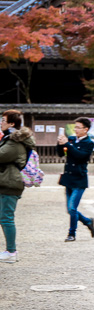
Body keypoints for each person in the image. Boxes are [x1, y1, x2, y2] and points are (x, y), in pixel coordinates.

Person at [0, 110, 36, 263]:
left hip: (10, 183)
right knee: (4, 217)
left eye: (3, 120)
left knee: (6, 218)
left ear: (12, 123)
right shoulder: (10, 138)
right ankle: (10, 251)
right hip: (6, 181)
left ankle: (11, 252)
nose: (1, 122)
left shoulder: (15, 142)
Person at [56, 117, 94, 242]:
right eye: (75, 127)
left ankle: (71, 233)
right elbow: (61, 154)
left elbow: (80, 157)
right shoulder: (72, 140)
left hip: (79, 179)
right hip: (68, 177)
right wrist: (60, 143)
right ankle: (88, 221)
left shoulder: (89, 143)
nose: (76, 130)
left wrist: (67, 144)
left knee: (72, 208)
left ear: (86, 129)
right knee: (70, 209)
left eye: (79, 127)